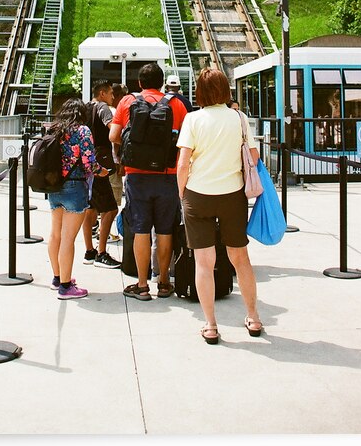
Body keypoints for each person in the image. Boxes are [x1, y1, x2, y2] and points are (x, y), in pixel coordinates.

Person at [176, 68, 263, 343]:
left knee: (204, 262)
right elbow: (254, 155)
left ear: (199, 92)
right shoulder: (239, 118)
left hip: (198, 194)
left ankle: (211, 325)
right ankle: (253, 317)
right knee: (241, 259)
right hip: (232, 194)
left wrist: (182, 194)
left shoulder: (193, 119)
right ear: (225, 90)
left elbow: (182, 163)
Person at [109, 63, 188, 300]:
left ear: (140, 83)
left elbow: (113, 135)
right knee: (165, 230)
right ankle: (164, 282)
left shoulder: (127, 102)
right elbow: (185, 139)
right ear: (163, 83)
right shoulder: (176, 105)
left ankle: (142, 285)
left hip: (136, 175)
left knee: (141, 229)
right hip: (167, 175)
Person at [47, 98, 110, 299]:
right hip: (74, 186)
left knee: (55, 234)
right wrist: (103, 172)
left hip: (54, 186)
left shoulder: (54, 129)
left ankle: (57, 278)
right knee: (68, 238)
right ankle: (66, 287)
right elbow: (89, 164)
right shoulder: (82, 131)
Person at [81, 80, 122, 269]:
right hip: (101, 163)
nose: (113, 97)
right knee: (111, 208)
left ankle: (89, 251)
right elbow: (112, 131)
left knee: (90, 208)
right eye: (111, 93)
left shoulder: (84, 108)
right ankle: (101, 252)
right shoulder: (103, 108)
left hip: (86, 162)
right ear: (103, 93)